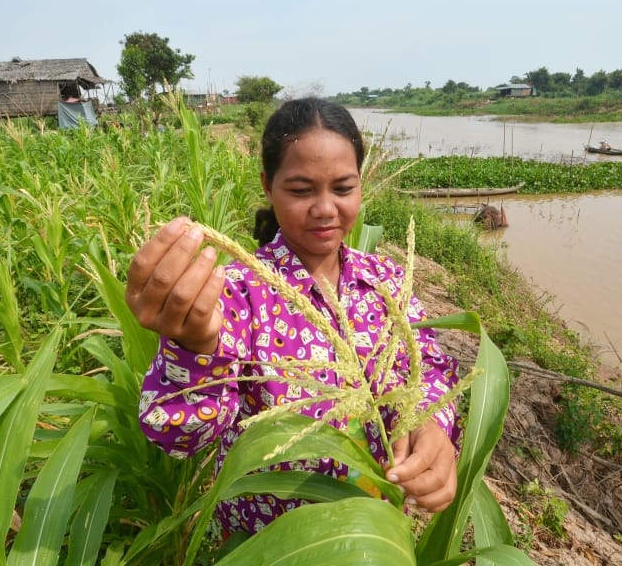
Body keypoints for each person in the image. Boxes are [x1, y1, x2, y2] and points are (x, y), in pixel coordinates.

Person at [127, 97, 461, 536]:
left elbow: (430, 370)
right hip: (274, 542)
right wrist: (196, 348)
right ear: (268, 186)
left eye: (343, 188)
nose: (325, 208)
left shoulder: (387, 281)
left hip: (373, 532)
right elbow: (176, 438)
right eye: (302, 191)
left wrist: (432, 426)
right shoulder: (236, 293)